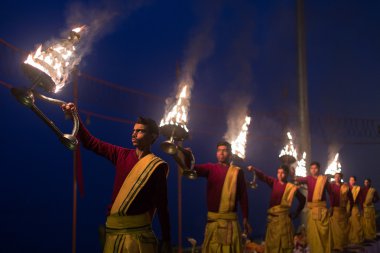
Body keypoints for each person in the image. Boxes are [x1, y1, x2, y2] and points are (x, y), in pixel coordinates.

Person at [62, 103, 171, 253]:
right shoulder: (121, 154)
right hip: (112, 234)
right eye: (134, 130)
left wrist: (166, 239)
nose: (134, 134)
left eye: (140, 131)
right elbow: (91, 142)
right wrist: (75, 116)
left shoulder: (157, 166)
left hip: (138, 238)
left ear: (153, 136)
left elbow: (162, 206)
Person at [185, 141, 251, 253]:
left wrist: (245, 217)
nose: (221, 153)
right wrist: (187, 156)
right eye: (219, 150)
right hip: (213, 223)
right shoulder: (210, 168)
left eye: (225, 150)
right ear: (216, 153)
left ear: (230, 154)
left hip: (230, 223)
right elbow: (191, 168)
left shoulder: (237, 172)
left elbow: (243, 195)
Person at [248, 165, 306, 253]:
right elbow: (264, 177)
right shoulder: (274, 182)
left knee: (283, 246)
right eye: (278, 172)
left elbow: (303, 199)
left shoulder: (291, 187)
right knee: (271, 245)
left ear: (286, 174)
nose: (280, 175)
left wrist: (296, 213)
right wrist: (254, 169)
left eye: (282, 173)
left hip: (284, 221)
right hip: (272, 221)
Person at [296, 161, 332, 253]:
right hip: (312, 210)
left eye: (315, 168)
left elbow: (331, 193)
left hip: (322, 211)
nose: (313, 170)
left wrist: (332, 207)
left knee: (323, 234)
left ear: (319, 169)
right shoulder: (308, 179)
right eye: (311, 168)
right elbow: (298, 180)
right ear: (310, 170)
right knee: (313, 234)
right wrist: (293, 175)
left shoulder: (324, 179)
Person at [328, 172, 353, 251]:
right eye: (335, 177)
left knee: (343, 230)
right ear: (334, 178)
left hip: (343, 211)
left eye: (338, 177)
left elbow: (351, 199)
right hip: (335, 211)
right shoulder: (332, 186)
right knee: (335, 230)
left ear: (341, 177)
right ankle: (336, 246)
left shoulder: (345, 187)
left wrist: (350, 210)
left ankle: (343, 245)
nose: (337, 178)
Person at [347, 176, 364, 244]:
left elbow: (360, 199)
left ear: (355, 181)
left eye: (352, 180)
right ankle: (348, 239)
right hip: (347, 207)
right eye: (350, 180)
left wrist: (361, 208)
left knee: (356, 223)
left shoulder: (357, 188)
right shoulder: (346, 188)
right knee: (347, 224)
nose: (351, 181)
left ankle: (357, 239)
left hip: (354, 207)